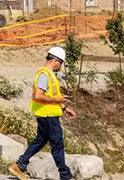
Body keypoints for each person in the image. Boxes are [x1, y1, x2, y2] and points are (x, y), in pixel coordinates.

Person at [9, 46, 76, 180]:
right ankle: (66, 176)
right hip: (47, 115)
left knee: (41, 140)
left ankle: (19, 165)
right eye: (61, 63)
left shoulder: (48, 75)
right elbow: (39, 95)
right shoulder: (44, 75)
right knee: (57, 144)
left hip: (47, 114)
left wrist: (64, 107)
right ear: (56, 61)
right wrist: (57, 99)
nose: (60, 66)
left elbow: (51, 95)